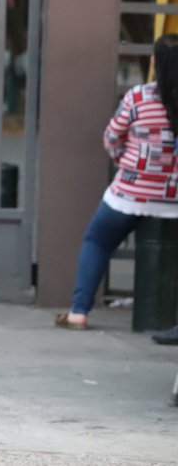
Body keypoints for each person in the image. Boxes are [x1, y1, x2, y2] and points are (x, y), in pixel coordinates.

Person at [56, 34, 178, 331]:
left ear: (153, 61)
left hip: (130, 194)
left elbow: (111, 139)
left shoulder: (137, 98)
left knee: (97, 241)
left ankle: (79, 313)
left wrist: (127, 164)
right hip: (174, 200)